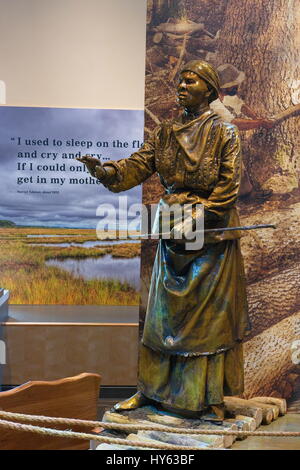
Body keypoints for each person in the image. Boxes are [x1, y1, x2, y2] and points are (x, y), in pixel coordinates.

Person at [78, 60, 250, 422]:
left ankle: (207, 397)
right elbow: (137, 166)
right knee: (161, 318)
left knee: (206, 320)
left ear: (210, 90)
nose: (182, 86)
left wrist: (197, 219)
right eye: (180, 81)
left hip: (210, 233)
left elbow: (227, 189)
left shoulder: (224, 133)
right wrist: (106, 171)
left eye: (191, 81)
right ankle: (150, 391)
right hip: (172, 228)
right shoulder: (166, 133)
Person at [210, 63, 274, 200]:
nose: (237, 88)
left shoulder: (226, 95)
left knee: (236, 162)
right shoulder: (213, 103)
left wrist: (256, 117)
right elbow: (234, 123)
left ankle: (246, 194)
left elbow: (240, 105)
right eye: (234, 85)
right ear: (225, 87)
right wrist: (260, 123)